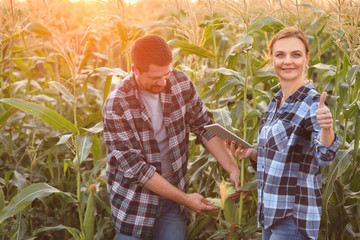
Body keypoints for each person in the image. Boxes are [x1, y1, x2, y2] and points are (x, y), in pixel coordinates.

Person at [102, 34, 240, 240]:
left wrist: (232, 168)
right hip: (135, 205)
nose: (163, 81)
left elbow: (204, 127)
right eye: (155, 77)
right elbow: (137, 169)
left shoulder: (180, 83)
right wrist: (186, 199)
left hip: (172, 204)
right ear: (135, 70)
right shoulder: (117, 104)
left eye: (166, 73)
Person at [226, 26, 339, 240]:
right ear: (271, 59)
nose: (288, 61)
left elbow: (325, 156)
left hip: (293, 219)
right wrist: (250, 153)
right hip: (270, 216)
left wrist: (327, 128)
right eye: (280, 55)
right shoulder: (276, 101)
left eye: (295, 54)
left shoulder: (313, 103)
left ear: (306, 58)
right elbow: (280, 156)